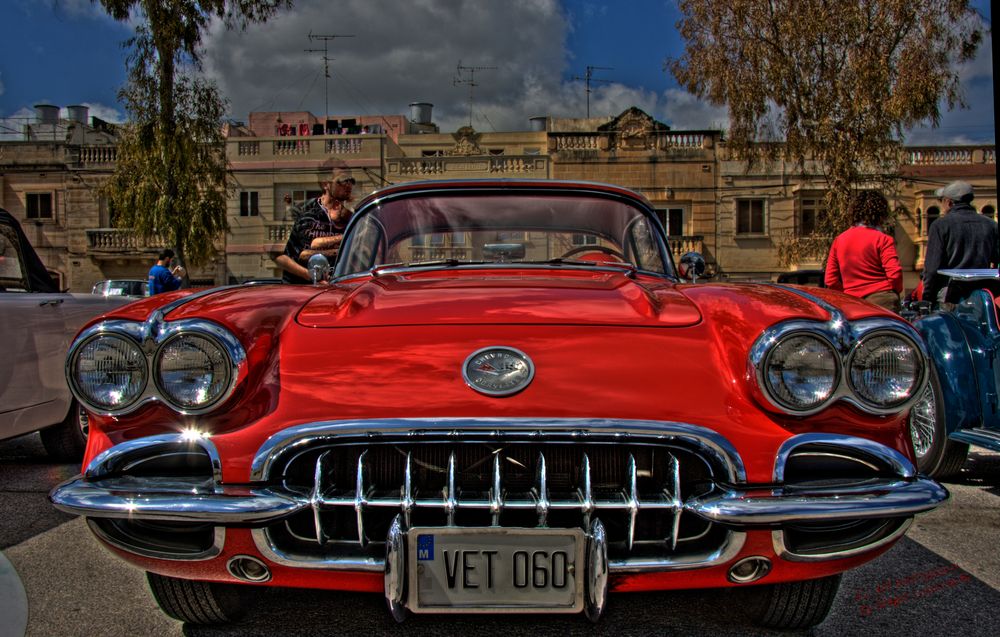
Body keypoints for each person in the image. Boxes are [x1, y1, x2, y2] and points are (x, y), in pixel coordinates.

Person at [824, 190, 903, 312]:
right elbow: (895, 275)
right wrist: (893, 291)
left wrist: (846, 294)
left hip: (851, 303)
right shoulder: (883, 239)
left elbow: (831, 280)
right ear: (881, 214)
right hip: (882, 300)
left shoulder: (839, 240)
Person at [921, 180, 999, 304]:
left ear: (949, 202)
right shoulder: (991, 225)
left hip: (951, 295)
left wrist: (926, 298)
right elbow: (996, 261)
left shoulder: (940, 225)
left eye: (942, 201)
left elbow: (932, 268)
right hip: (982, 295)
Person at [275, 169, 356, 283]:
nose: (348, 185)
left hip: (337, 289)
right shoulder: (307, 213)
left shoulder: (350, 217)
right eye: (343, 180)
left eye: (351, 181)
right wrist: (313, 277)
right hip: (303, 289)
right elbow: (300, 255)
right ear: (325, 184)